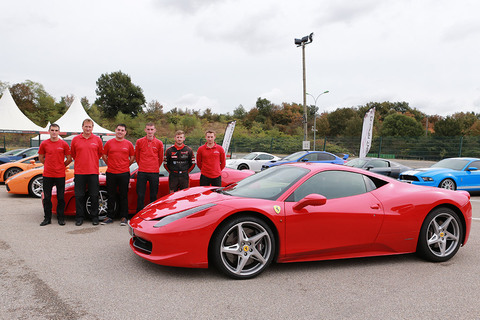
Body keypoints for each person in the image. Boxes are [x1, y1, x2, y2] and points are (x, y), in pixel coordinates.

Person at [71, 119, 104, 226]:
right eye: (86, 126)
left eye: (90, 127)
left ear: (92, 128)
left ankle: (94, 217)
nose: (88, 129)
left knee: (94, 196)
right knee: (79, 196)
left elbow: (99, 154)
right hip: (80, 172)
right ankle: (79, 217)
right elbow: (73, 154)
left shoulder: (97, 140)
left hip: (93, 172)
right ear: (82, 127)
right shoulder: (75, 139)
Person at [101, 124, 135, 226]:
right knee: (111, 195)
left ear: (125, 132)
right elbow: (104, 156)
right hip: (111, 173)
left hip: (124, 173)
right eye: (118, 130)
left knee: (123, 196)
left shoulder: (128, 144)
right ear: (115, 130)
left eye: (122, 130)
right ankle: (110, 216)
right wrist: (110, 164)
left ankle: (124, 217)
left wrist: (125, 165)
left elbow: (132, 157)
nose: (120, 132)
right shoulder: (109, 143)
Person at [39, 123, 72, 226]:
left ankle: (61, 218)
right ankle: (47, 219)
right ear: (49, 131)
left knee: (60, 197)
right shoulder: (44, 144)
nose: (54, 132)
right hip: (47, 174)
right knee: (47, 198)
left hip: (60, 175)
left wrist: (62, 166)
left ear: (59, 132)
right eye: (52, 130)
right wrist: (48, 165)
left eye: (56, 130)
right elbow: (41, 157)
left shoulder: (64, 144)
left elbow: (69, 158)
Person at [135, 122, 164, 213]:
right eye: (148, 129)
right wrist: (142, 165)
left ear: (154, 130)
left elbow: (161, 158)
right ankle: (139, 214)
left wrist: (154, 166)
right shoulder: (139, 141)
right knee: (140, 195)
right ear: (145, 130)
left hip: (154, 172)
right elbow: (137, 156)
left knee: (153, 195)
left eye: (151, 129)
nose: (150, 131)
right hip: (142, 172)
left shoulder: (159, 143)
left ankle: (152, 214)